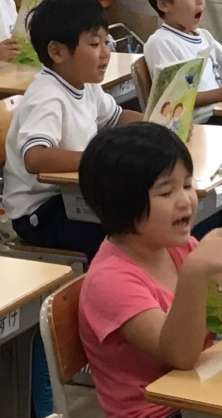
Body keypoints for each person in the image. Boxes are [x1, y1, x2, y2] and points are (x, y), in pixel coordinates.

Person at [78, 122, 222, 418]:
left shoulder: (176, 247)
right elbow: (180, 356)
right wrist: (196, 271)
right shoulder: (109, 281)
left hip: (202, 390)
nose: (185, 200)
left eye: (187, 185)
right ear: (123, 204)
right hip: (161, 411)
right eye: (166, 192)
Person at [3, 0, 142, 260]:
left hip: (72, 195)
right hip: (40, 212)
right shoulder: (47, 96)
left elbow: (117, 117)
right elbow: (35, 157)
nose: (106, 53)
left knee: (141, 218)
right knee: (127, 235)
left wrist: (158, 126)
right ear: (57, 52)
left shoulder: (85, 84)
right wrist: (97, 159)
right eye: (95, 44)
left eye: (106, 42)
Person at [144, 0, 222, 123]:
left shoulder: (204, 36)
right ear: (164, 4)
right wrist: (220, 94)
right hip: (200, 124)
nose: (200, 1)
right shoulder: (160, 42)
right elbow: (174, 98)